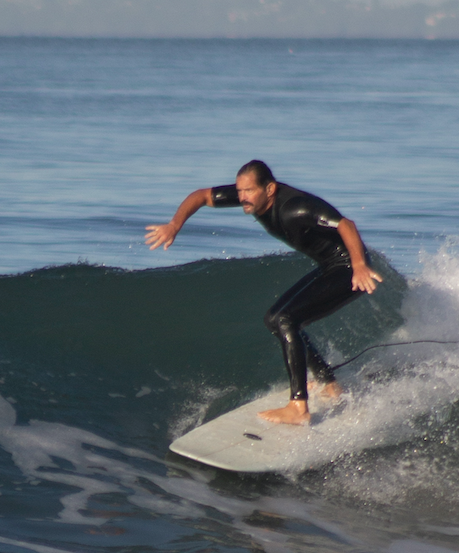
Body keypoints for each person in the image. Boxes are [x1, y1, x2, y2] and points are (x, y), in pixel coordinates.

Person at [145, 160, 382, 426]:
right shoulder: (251, 197)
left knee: (285, 318)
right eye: (239, 191)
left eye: (248, 191)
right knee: (276, 319)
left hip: (349, 268)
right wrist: (175, 225)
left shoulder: (296, 208)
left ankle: (298, 407)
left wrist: (360, 266)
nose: (241, 197)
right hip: (330, 266)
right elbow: (201, 195)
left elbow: (345, 224)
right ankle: (329, 384)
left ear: (269, 189)